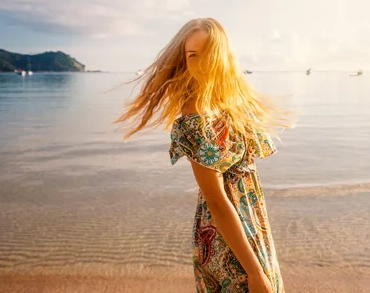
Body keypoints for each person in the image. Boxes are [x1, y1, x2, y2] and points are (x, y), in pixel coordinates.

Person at [115, 18, 294, 292]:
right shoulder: (195, 116)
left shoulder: (230, 103)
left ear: (222, 56)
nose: (199, 63)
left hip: (251, 225)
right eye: (192, 55)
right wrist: (254, 271)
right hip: (227, 240)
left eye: (207, 54)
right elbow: (217, 200)